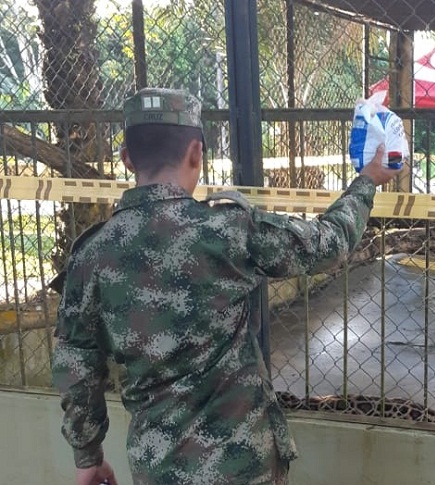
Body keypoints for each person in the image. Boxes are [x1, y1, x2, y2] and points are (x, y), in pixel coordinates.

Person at [51, 87, 401, 485]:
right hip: (244, 465)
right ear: (196, 153)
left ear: (127, 158)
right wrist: (367, 181)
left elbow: (76, 365)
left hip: (159, 469)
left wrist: (88, 456)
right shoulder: (228, 230)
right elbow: (330, 243)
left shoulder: (92, 255)